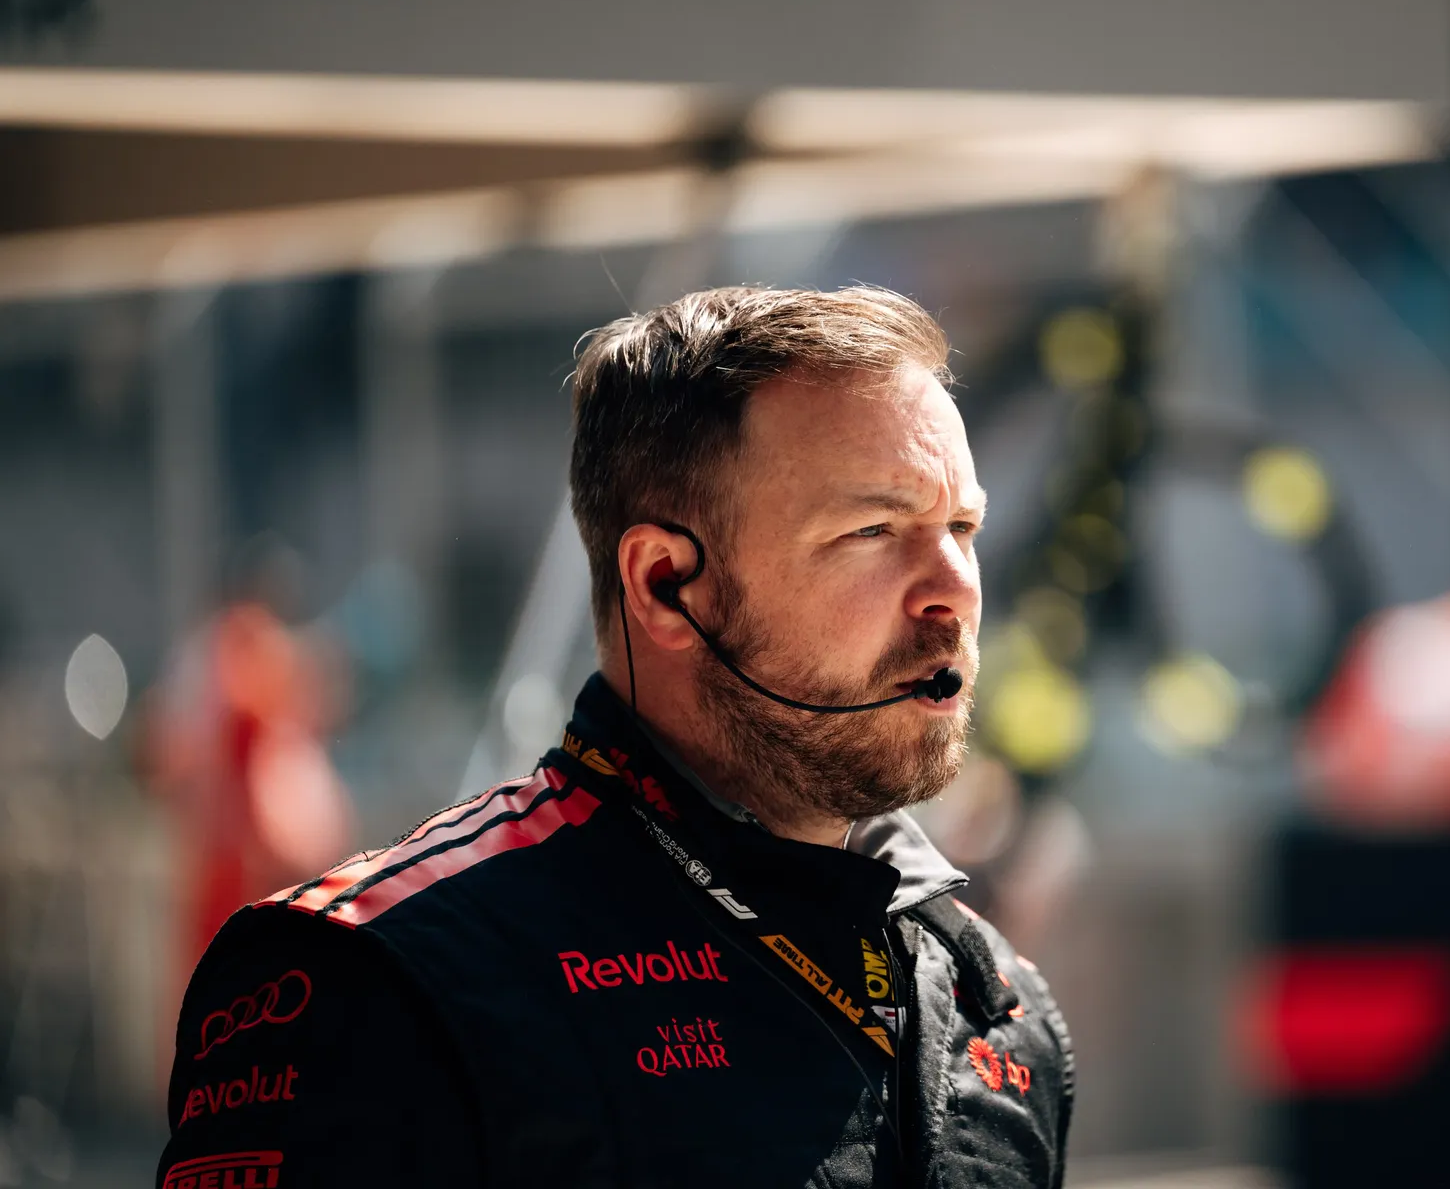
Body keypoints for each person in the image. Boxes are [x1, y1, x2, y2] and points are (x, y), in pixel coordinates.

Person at [156, 287, 1074, 1188]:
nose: (954, 588)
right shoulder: (374, 977)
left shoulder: (999, 1009)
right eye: (874, 529)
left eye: (962, 526)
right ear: (667, 583)